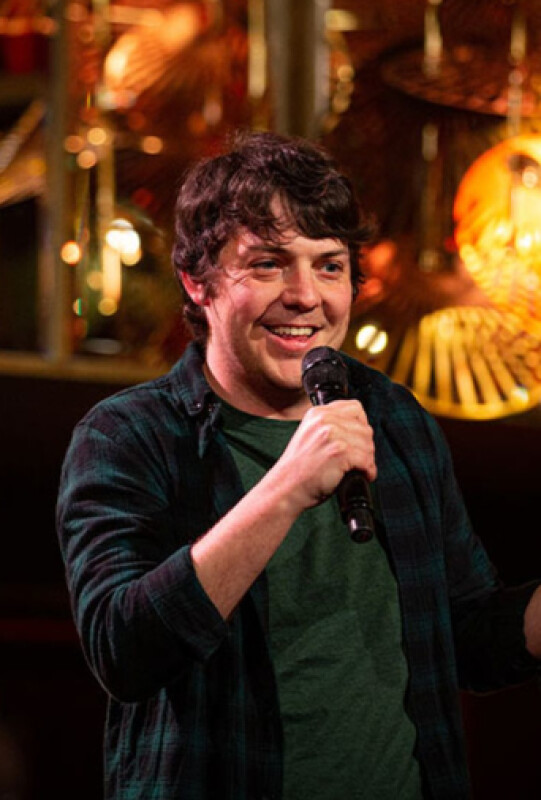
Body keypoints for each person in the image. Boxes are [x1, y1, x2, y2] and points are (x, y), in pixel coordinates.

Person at [56, 130, 541, 800]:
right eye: (267, 264)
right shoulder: (129, 436)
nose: (305, 295)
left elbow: (467, 634)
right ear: (197, 281)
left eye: (329, 266)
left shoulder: (394, 418)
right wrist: (284, 487)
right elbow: (124, 652)